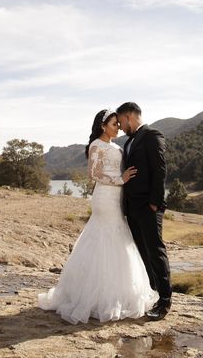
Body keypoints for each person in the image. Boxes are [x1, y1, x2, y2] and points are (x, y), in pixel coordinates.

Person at [38, 109, 158, 324]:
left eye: (118, 124)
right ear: (103, 126)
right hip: (104, 197)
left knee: (119, 237)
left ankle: (117, 294)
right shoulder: (97, 145)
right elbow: (93, 174)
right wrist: (120, 179)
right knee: (105, 236)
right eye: (114, 124)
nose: (117, 127)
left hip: (118, 197)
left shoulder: (116, 147)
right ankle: (95, 299)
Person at [116, 102, 172, 321]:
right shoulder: (130, 141)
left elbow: (160, 170)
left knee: (155, 251)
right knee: (142, 252)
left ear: (129, 117)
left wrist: (155, 203)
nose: (120, 127)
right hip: (132, 208)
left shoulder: (151, 135)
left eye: (121, 122)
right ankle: (153, 295)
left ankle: (165, 301)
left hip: (148, 207)